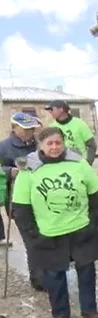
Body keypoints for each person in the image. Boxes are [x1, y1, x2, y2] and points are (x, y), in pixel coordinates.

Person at [11, 127, 98, 318]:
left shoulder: (78, 163)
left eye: (58, 143)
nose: (54, 147)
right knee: (54, 277)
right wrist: (33, 235)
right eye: (49, 144)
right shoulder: (29, 170)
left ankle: (89, 309)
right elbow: (21, 207)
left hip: (81, 229)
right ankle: (60, 313)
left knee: (87, 272)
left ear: (63, 143)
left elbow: (96, 193)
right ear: (41, 145)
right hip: (49, 233)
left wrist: (94, 222)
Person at [45, 100, 98, 238]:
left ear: (62, 109)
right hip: (64, 169)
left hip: (81, 165)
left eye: (51, 109)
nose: (49, 112)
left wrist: (88, 163)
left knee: (95, 196)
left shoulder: (79, 124)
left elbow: (91, 145)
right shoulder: (52, 127)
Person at [0, 113, 42, 290]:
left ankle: (51, 272)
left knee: (45, 237)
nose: (29, 133)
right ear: (14, 128)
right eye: (26, 129)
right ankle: (38, 278)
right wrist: (9, 171)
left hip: (41, 196)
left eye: (32, 129)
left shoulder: (40, 143)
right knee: (32, 238)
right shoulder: (3, 147)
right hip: (18, 199)